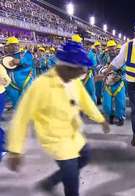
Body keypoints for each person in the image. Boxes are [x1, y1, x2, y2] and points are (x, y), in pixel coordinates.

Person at [6, 41, 110, 196]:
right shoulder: (41, 86)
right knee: (72, 180)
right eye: (80, 69)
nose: (83, 72)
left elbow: (85, 100)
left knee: (86, 156)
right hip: (55, 139)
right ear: (67, 67)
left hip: (73, 135)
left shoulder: (73, 81)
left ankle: (50, 182)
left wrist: (99, 118)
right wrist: (15, 150)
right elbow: (21, 117)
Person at [4, 36, 34, 107]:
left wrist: (20, 61)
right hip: (12, 85)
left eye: (15, 45)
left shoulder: (23, 54)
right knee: (16, 104)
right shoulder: (5, 57)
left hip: (25, 83)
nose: (14, 47)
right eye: (9, 46)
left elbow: (29, 62)